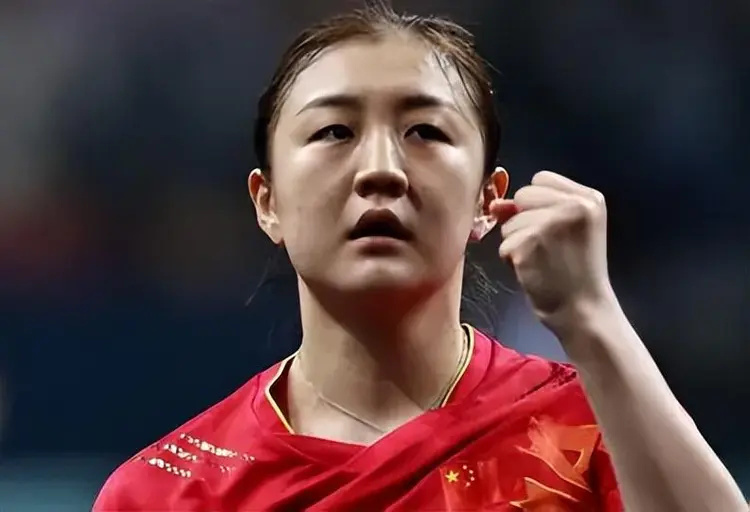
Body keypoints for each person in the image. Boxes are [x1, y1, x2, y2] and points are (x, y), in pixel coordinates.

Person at [93, 4, 746, 511]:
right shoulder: (166, 492)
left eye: (426, 132)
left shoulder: (592, 430)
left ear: (488, 201)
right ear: (268, 204)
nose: (381, 168)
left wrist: (592, 317)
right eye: (334, 132)